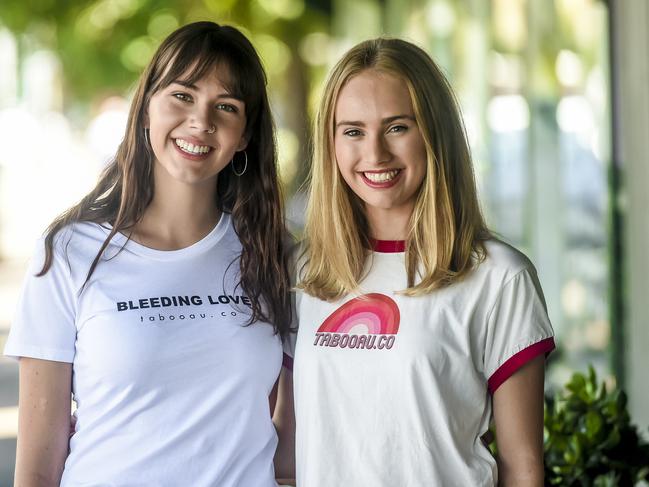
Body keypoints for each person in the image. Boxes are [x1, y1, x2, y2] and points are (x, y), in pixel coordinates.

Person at [4, 21, 294, 486]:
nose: (201, 120)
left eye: (226, 106)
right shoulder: (69, 252)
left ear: (244, 136)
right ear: (145, 111)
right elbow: (37, 465)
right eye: (182, 96)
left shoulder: (274, 255)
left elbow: (293, 436)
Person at [285, 38, 556, 486]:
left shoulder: (498, 277)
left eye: (397, 127)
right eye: (352, 131)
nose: (375, 154)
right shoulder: (306, 271)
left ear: (434, 131)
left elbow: (523, 467)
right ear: (331, 143)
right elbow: (290, 451)